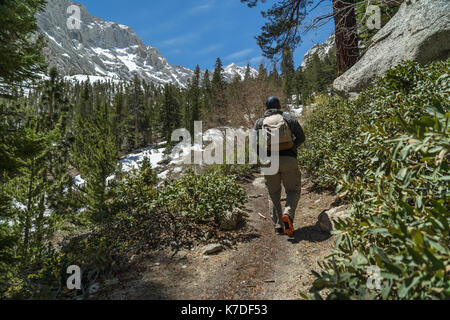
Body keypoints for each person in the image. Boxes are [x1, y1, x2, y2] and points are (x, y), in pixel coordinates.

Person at [253, 96, 305, 237]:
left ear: (266, 108)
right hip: (289, 159)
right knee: (293, 191)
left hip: (270, 161)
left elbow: (254, 145)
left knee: (273, 193)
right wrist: (292, 148)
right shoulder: (289, 119)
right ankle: (288, 214)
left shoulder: (259, 122)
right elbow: (301, 137)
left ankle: (278, 226)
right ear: (279, 106)